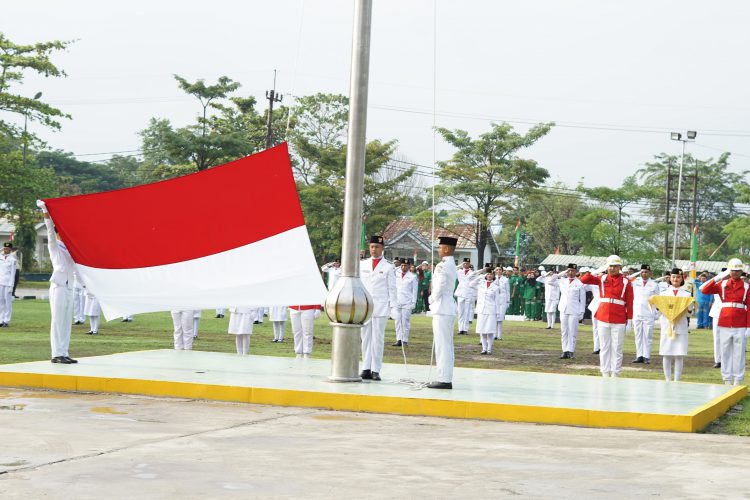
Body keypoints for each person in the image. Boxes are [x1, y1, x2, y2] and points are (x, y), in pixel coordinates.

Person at [37, 200, 78, 363]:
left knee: (66, 322)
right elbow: (49, 232)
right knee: (57, 320)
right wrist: (45, 212)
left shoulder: (71, 249)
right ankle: (56, 354)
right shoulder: (55, 246)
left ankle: (64, 352)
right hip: (58, 287)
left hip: (69, 287)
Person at [580, 255, 634, 377]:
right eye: (610, 266)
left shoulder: (626, 282)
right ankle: (604, 372)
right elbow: (583, 280)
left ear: (619, 267)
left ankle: (616, 372)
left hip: (619, 317)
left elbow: (630, 302)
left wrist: (629, 319)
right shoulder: (601, 278)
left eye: (615, 266)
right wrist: (596, 271)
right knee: (604, 347)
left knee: (617, 348)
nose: (612, 268)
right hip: (603, 316)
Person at [699, 258, 749, 385]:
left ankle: (738, 380)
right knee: (725, 352)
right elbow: (703, 289)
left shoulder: (746, 287)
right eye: (732, 270)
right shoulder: (722, 284)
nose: (735, 273)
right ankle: (726, 379)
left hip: (740, 323)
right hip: (724, 322)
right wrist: (718, 277)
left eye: (738, 270)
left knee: (739, 353)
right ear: (729, 270)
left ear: (741, 271)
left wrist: (749, 326)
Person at [359, 235, 397, 380]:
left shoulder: (388, 266)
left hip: (381, 307)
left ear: (382, 248)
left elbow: (392, 289)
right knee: (365, 338)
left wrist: (393, 307)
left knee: (378, 339)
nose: (374, 250)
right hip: (365, 306)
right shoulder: (363, 265)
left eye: (377, 247)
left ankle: (376, 369)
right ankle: (366, 368)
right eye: (372, 247)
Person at [427, 236, 459, 389]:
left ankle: (444, 378)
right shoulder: (451, 264)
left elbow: (438, 287)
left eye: (440, 247)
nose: (439, 250)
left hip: (442, 307)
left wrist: (431, 299)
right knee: (446, 344)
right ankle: (445, 376)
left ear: (446, 249)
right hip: (447, 307)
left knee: (443, 345)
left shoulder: (442, 265)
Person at [657, 268, 693, 382]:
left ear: (682, 278)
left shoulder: (687, 294)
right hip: (667, 325)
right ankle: (667, 379)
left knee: (679, 354)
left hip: (680, 325)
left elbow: (689, 313)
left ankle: (677, 380)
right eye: (673, 277)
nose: (675, 279)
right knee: (666, 353)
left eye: (678, 277)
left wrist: (689, 306)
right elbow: (658, 312)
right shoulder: (663, 294)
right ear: (669, 278)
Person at [556, 263, 587, 359]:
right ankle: (564, 350)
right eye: (569, 270)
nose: (570, 272)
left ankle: (571, 351)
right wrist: (561, 273)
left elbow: (583, 299)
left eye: (572, 270)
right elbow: (548, 280)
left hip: (574, 310)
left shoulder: (579, 283)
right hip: (563, 309)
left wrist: (582, 312)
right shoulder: (562, 281)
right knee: (564, 331)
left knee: (572, 331)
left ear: (576, 272)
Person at [630, 264, 660, 364]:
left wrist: (656, 313)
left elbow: (657, 300)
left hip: (648, 313)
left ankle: (647, 356)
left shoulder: (654, 284)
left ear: (650, 273)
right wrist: (636, 274)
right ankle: (639, 355)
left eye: (646, 272)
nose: (644, 274)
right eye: (642, 272)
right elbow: (626, 278)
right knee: (638, 335)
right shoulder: (635, 282)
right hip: (637, 312)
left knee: (647, 335)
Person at [392, 259, 418, 347]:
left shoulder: (413, 276)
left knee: (405, 321)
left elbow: (415, 291)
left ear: (409, 266)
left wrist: (413, 302)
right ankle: (398, 339)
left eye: (405, 266)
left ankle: (405, 340)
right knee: (397, 321)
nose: (403, 267)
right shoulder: (396, 274)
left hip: (407, 302)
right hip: (397, 301)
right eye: (402, 265)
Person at [474, 270, 501, 355]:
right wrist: (481, 275)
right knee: (482, 330)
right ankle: (484, 348)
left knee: (490, 330)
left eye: (491, 274)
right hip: (481, 310)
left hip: (491, 311)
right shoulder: (481, 285)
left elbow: (497, 301)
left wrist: (497, 312)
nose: (489, 275)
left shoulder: (496, 287)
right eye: (488, 274)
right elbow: (471, 283)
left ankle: (489, 348)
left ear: (493, 276)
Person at [708, 270, 724, 369]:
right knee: (717, 338)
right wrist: (715, 279)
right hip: (717, 313)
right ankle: (718, 360)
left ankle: (726, 359)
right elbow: (705, 288)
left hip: (729, 313)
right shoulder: (716, 284)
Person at [454, 258, 474, 335]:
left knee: (467, 312)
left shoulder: (472, 272)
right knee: (460, 312)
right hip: (461, 293)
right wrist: (460, 265)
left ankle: (465, 329)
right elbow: (453, 269)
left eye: (467, 263)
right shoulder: (459, 271)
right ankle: (460, 329)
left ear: (469, 264)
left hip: (468, 293)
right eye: (464, 263)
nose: (466, 265)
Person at [0, 241, 17, 327]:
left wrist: (11, 285)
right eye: (5, 248)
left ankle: (6, 321)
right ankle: (1, 320)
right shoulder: (0, 257)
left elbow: (13, 274)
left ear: (10, 249)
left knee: (8, 302)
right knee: (1, 302)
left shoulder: (12, 259)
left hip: (8, 283)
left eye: (7, 248)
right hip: (0, 282)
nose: (6, 250)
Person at [494, 267, 511, 340]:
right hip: (495, 299)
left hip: (503, 298)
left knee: (500, 318)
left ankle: (499, 335)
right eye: (497, 270)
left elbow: (508, 291)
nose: (498, 271)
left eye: (500, 270)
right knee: (494, 317)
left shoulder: (506, 279)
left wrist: (508, 301)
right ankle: (494, 334)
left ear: (502, 271)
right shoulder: (493, 278)